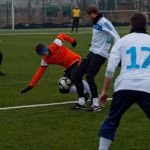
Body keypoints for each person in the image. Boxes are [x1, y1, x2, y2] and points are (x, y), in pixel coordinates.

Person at [98, 12, 150, 150]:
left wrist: (104, 91)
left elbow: (110, 68)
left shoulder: (122, 41)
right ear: (146, 26)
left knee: (112, 121)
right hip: (147, 86)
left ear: (130, 25)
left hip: (124, 85)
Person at [73, 5, 120, 112]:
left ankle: (95, 104)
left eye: (89, 15)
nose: (89, 17)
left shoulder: (104, 22)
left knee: (89, 76)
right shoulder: (95, 22)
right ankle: (81, 102)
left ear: (93, 13)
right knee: (77, 75)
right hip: (92, 52)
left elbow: (116, 36)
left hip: (101, 54)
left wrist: (116, 52)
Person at [20, 33, 91, 98]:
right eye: (43, 54)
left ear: (47, 48)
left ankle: (94, 96)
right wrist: (31, 85)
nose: (45, 54)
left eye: (45, 51)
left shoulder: (55, 45)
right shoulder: (45, 60)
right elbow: (39, 73)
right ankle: (84, 93)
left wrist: (72, 41)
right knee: (63, 88)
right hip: (68, 67)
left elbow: (62, 35)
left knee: (75, 78)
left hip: (76, 61)